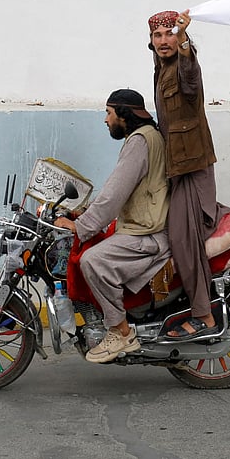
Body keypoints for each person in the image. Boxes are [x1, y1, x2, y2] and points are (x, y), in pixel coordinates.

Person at [54, 89, 171, 363]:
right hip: (143, 227)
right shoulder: (143, 138)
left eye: (108, 113)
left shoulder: (140, 141)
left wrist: (81, 226)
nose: (105, 120)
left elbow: (115, 193)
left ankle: (120, 331)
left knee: (92, 260)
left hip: (147, 234)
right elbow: (118, 190)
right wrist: (83, 211)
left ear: (123, 114)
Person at [148, 9, 228, 339]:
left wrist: (185, 42)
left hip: (193, 167)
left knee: (184, 238)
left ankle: (204, 316)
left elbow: (191, 79)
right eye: (159, 35)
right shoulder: (160, 70)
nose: (164, 41)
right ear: (150, 41)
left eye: (170, 34)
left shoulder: (181, 65)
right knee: (168, 233)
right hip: (177, 169)